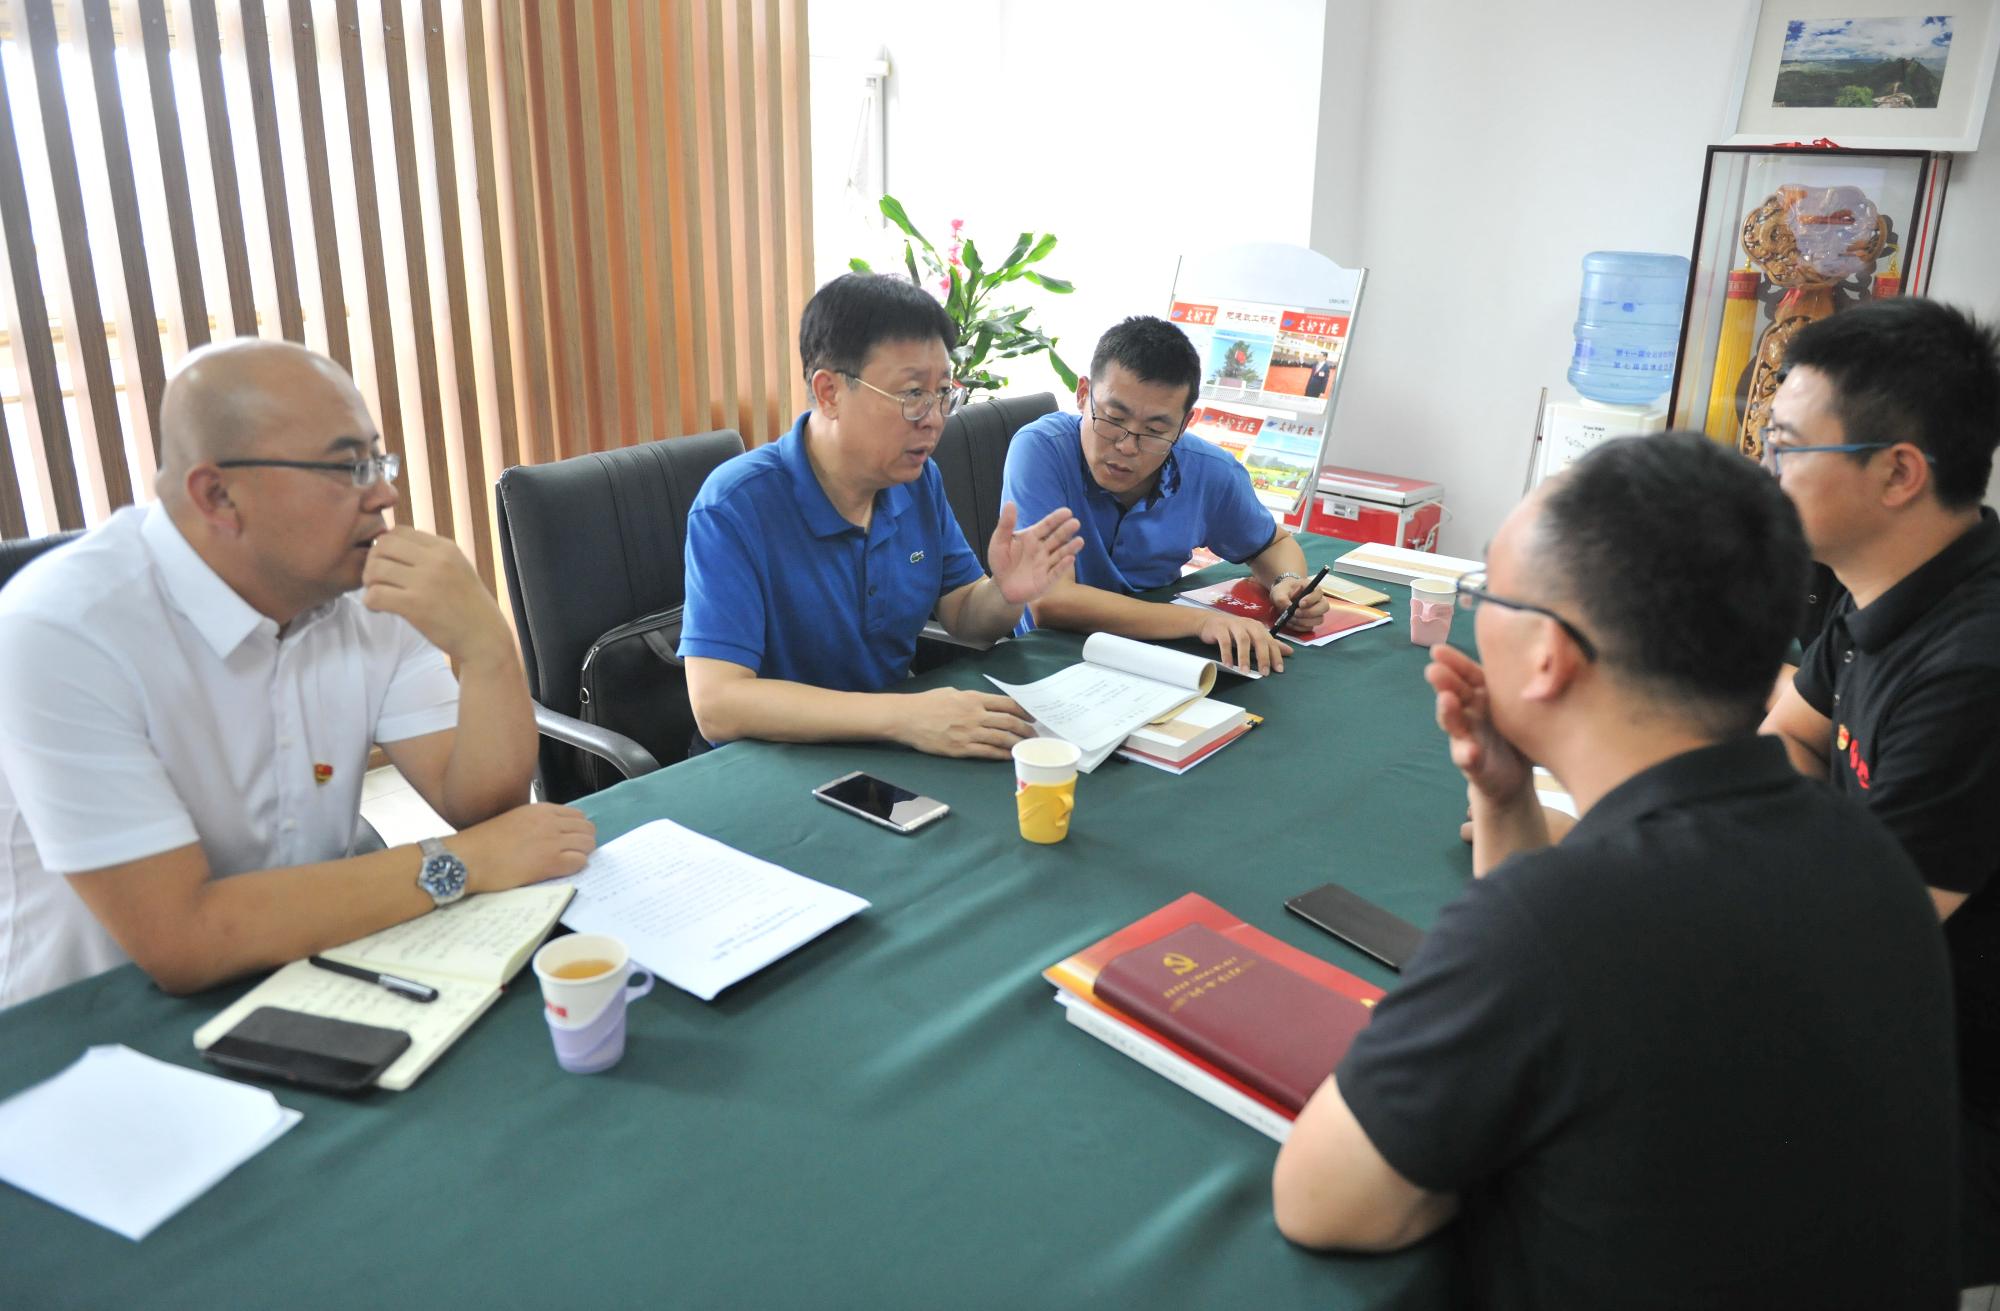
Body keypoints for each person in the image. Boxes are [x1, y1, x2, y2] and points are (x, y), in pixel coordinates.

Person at [1272, 433, 1958, 1306]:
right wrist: (1504, 799)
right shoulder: (1865, 851)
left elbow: (1322, 1201)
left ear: (1550, 657)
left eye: (1490, 595)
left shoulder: (1554, 923)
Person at [0, 340, 594, 1009]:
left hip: (316, 965)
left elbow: (484, 811)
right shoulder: (62, 630)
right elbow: (187, 938)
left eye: (378, 460)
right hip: (95, 1019)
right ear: (218, 494)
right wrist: (460, 864)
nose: (386, 492)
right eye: (348, 467)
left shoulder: (363, 588)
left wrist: (488, 646)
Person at [1758, 296, 2000, 1288]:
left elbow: (1858, 940)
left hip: (1948, 1104)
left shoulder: (1974, 667)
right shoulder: (1878, 585)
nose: (1766, 469)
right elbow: (1788, 733)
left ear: (1898, 473)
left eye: (1785, 445)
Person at [679, 273, 1082, 757]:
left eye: (943, 393)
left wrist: (1006, 593)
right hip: (766, 762)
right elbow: (718, 703)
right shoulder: (736, 504)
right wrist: (904, 716)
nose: (933, 418)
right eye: (912, 395)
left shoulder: (916, 480)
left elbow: (963, 615)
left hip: (887, 744)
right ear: (829, 392)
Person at [998, 315, 1329, 674]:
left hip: (1164, 658)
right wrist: (1200, 621)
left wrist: (1286, 583)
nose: (1127, 446)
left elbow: (1271, 544)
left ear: (1184, 425)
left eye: (1155, 430)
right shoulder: (1042, 449)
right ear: (1082, 395)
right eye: (1113, 419)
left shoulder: (1208, 469)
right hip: (1055, 660)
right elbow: (1050, 601)